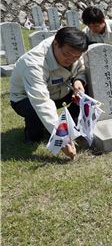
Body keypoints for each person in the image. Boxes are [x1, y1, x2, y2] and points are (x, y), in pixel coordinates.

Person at [9, 27, 89, 158]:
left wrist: (79, 81)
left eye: (76, 56)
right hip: (26, 99)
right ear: (56, 44)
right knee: (36, 133)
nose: (71, 59)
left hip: (60, 91)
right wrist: (62, 139)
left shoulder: (72, 49)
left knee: (86, 90)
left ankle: (74, 122)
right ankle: (32, 132)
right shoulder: (34, 64)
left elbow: (81, 68)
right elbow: (41, 102)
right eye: (67, 55)